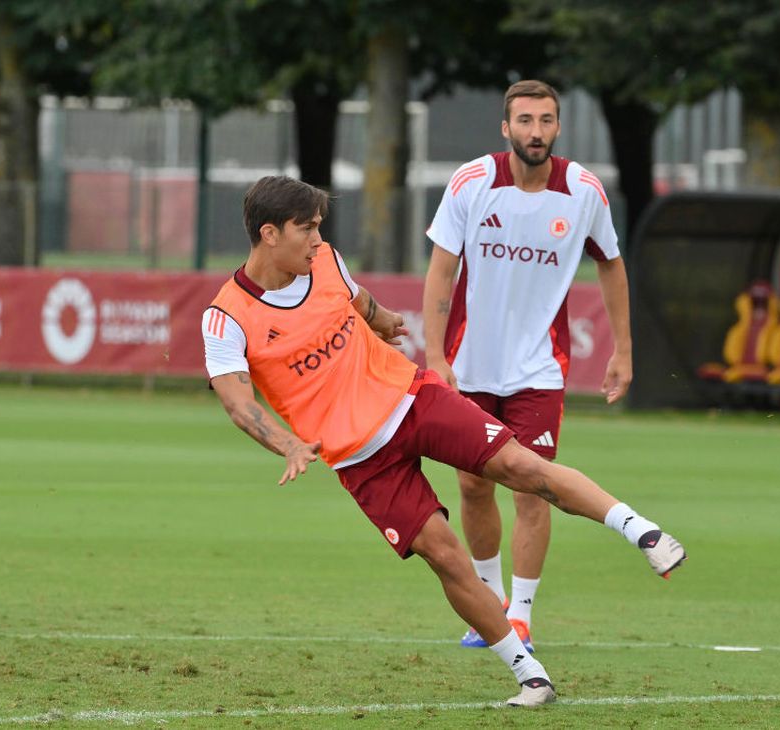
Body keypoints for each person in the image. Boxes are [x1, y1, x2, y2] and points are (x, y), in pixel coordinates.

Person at [201, 175, 685, 707]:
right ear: (269, 234)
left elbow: (356, 299)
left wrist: (382, 320)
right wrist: (289, 444)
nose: (318, 239)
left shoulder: (325, 261)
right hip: (359, 459)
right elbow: (239, 403)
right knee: (444, 555)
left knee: (523, 469)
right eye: (307, 229)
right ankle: (530, 675)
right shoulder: (226, 317)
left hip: (413, 399)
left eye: (320, 227)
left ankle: (642, 532)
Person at [422, 80, 634, 652]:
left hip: (539, 368)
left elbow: (611, 265)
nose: (534, 131)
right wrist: (437, 356)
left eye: (545, 120)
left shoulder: (584, 191)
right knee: (470, 485)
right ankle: (486, 605)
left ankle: (521, 615)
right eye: (524, 120)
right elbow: (441, 271)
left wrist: (624, 350)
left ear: (557, 127)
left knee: (533, 488)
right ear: (505, 127)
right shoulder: (472, 182)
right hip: (470, 365)